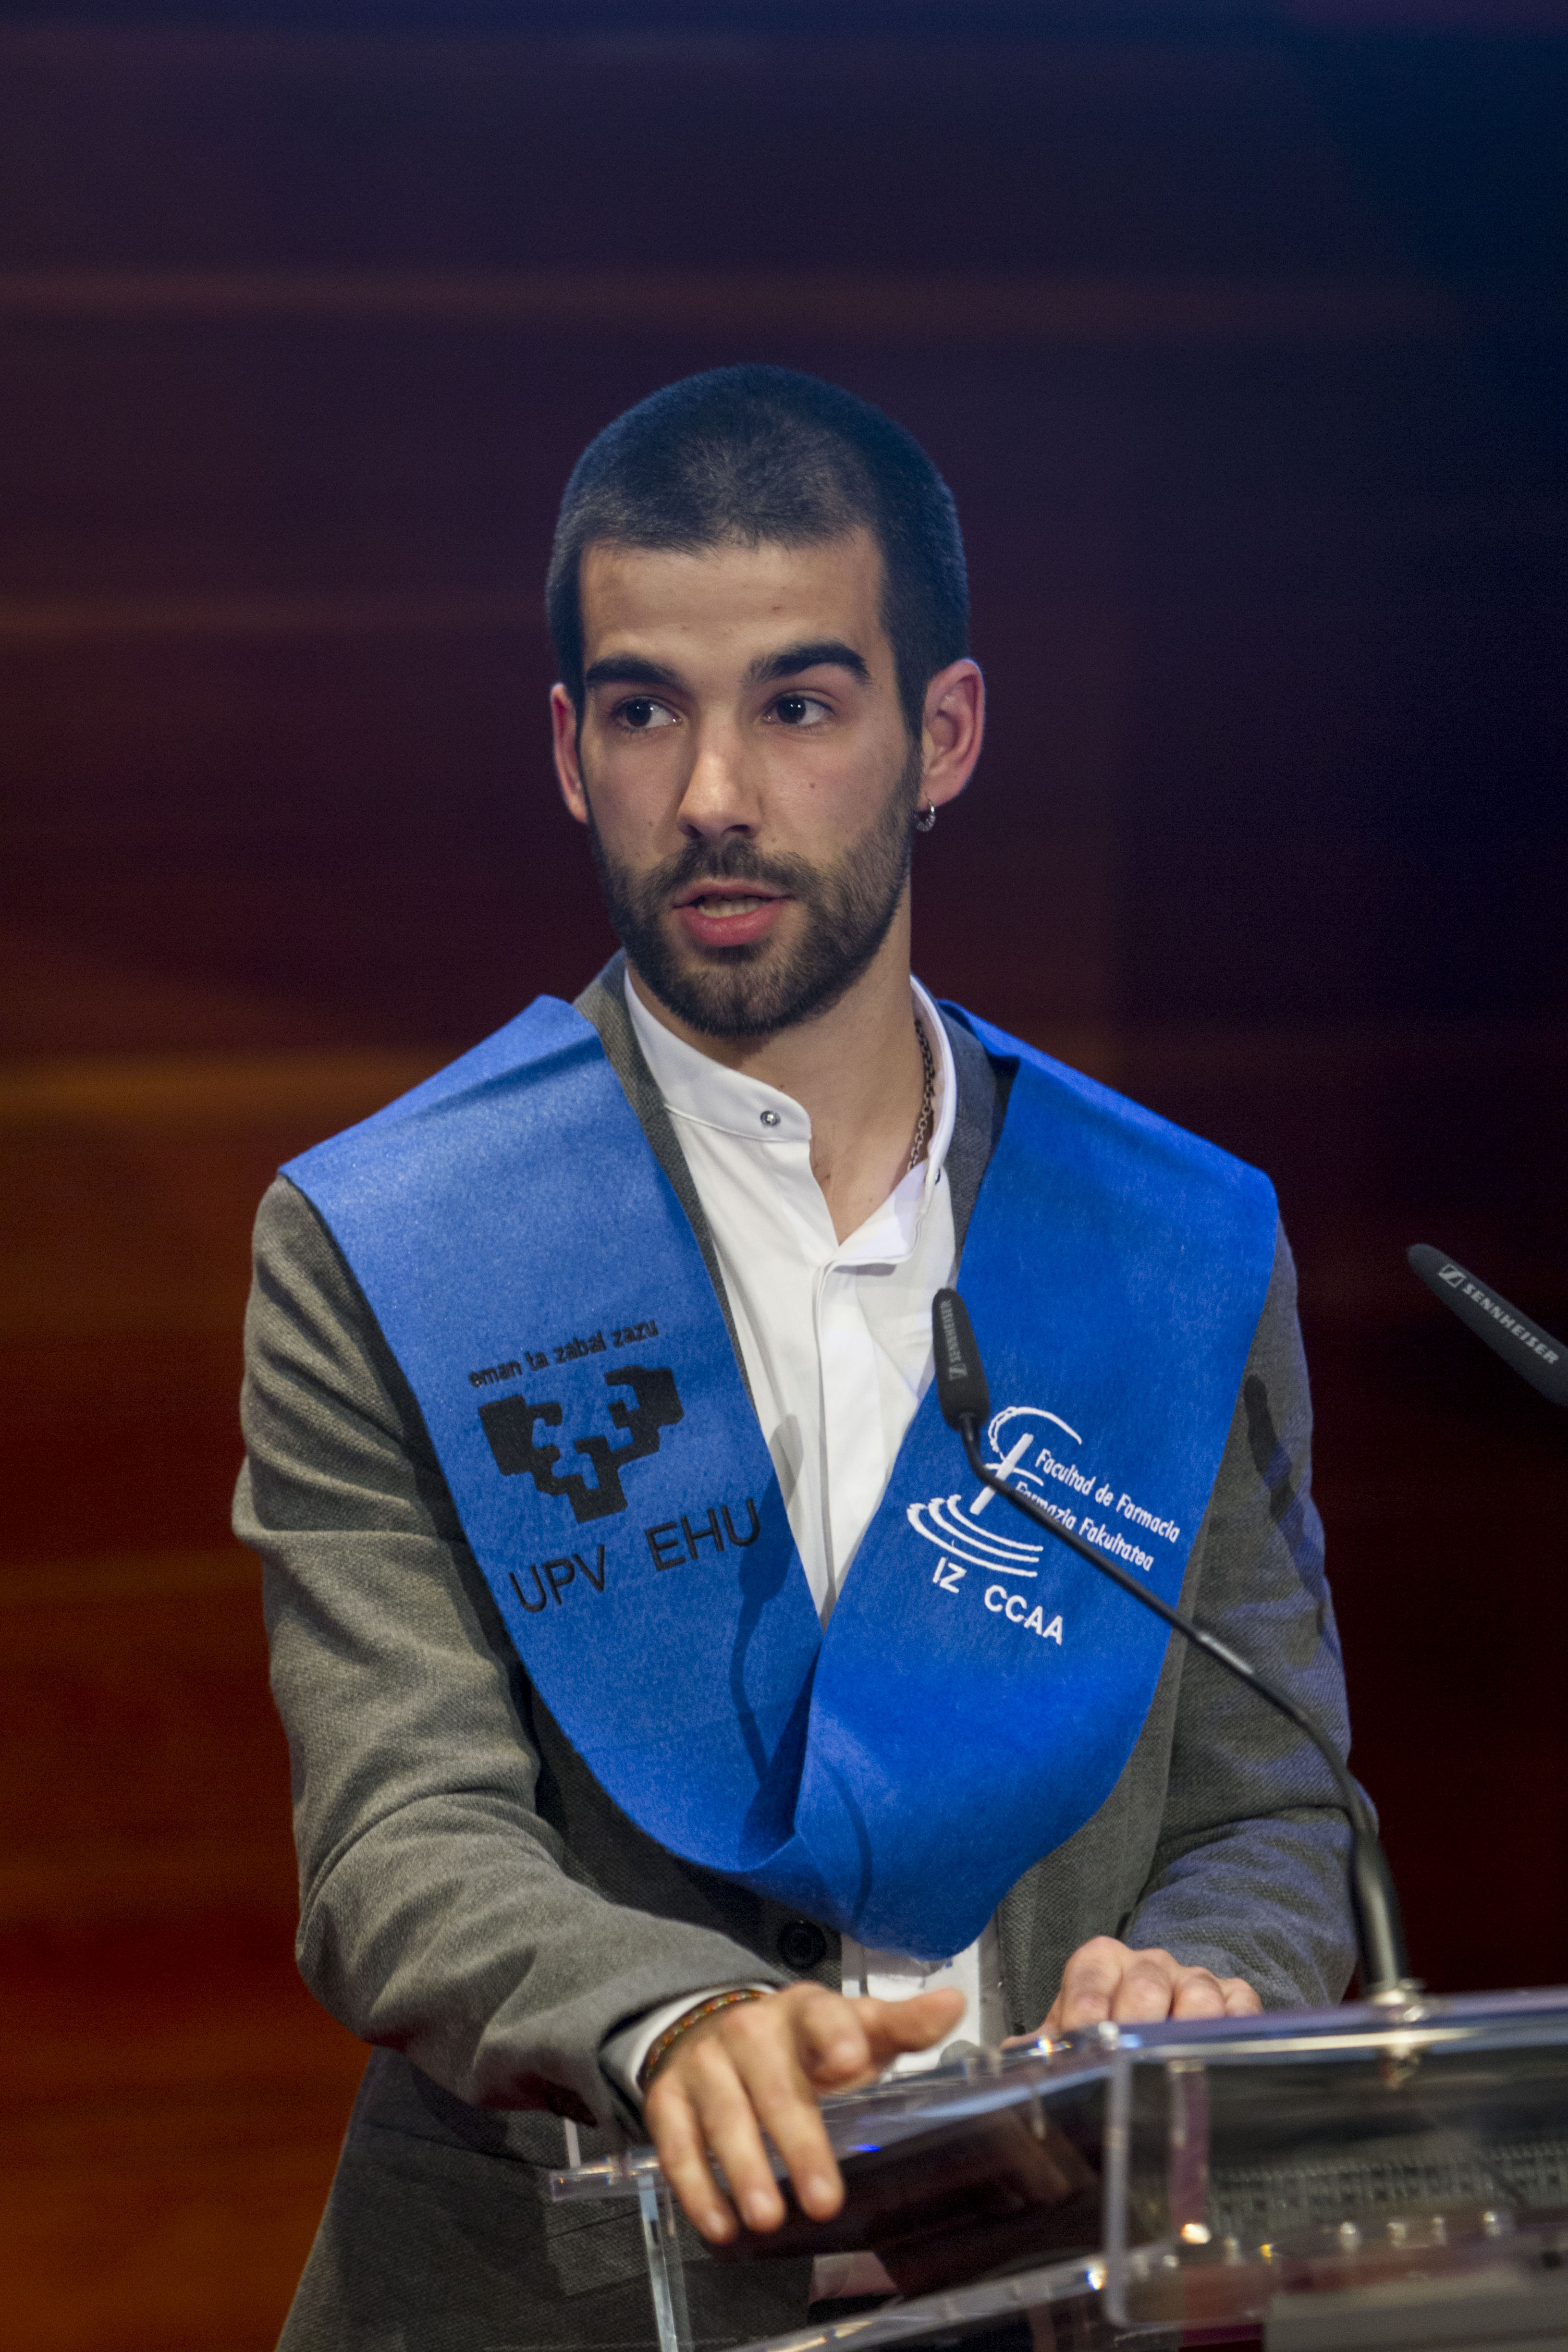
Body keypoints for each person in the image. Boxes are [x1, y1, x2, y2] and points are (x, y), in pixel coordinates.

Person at [235, 366, 1357, 2352]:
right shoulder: (390, 1240)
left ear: (944, 737)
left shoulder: (1170, 1239)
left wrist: (1205, 1985)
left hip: (1060, 2291)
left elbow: (1272, 1809)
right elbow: (397, 1844)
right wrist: (673, 2025)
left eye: (801, 706)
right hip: (556, 2300)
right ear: (568, 751)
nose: (714, 797)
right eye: (644, 710)